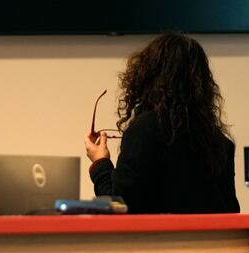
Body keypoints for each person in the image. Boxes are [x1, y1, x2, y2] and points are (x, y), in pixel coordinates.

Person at [84, 33, 240, 214]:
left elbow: (120, 206)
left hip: (157, 242)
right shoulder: (220, 143)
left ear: (146, 76)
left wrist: (100, 163)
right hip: (209, 242)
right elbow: (230, 211)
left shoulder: (144, 130)